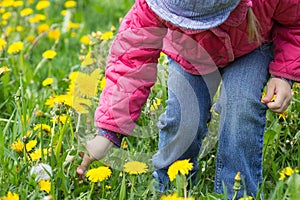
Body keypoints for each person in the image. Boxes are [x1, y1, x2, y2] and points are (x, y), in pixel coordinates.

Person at [76, 0, 300, 198]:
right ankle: (172, 189)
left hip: (251, 45)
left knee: (242, 107)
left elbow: (294, 23)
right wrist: (108, 131)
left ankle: (237, 193)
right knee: (183, 116)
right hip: (190, 53)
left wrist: (283, 75)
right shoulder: (152, 7)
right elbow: (130, 64)